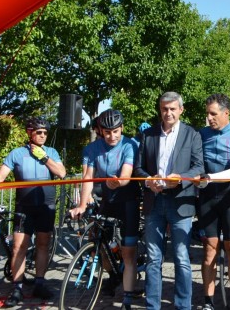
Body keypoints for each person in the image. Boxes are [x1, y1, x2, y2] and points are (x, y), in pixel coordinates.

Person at [0, 117, 66, 307]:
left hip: (46, 205)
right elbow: (0, 176)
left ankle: (39, 282)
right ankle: (17, 287)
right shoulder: (16, 153)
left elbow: (62, 173)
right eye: (39, 132)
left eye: (45, 133)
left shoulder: (51, 152)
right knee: (18, 247)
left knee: (43, 244)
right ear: (29, 133)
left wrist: (45, 158)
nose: (42, 136)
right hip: (24, 206)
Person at [133, 91, 204, 310]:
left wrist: (181, 180)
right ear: (159, 110)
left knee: (182, 257)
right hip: (154, 201)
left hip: (181, 201)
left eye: (173, 109)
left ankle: (183, 306)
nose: (168, 113)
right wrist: (148, 180)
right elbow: (138, 168)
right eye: (165, 109)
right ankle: (152, 306)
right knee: (153, 258)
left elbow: (199, 167)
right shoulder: (148, 135)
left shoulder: (192, 134)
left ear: (181, 110)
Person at [69, 109, 140, 309]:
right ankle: (112, 274)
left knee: (128, 252)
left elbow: (126, 174)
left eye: (116, 131)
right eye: (107, 132)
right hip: (107, 200)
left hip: (127, 199)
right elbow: (88, 179)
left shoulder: (130, 145)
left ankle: (126, 298)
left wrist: (117, 182)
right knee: (99, 244)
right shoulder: (92, 149)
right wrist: (82, 205)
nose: (112, 136)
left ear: (122, 129)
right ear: (100, 130)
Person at [194, 94, 230, 310]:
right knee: (209, 251)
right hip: (207, 199)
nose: (209, 118)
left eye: (213, 114)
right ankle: (208, 302)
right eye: (207, 113)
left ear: (226, 113)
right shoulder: (201, 134)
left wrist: (207, 178)